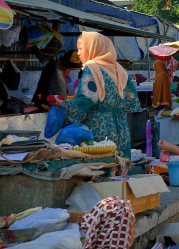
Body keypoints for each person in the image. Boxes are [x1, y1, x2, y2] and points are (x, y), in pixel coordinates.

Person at [53, 31, 140, 159]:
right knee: (120, 163)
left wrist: (63, 104)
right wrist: (115, 105)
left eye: (81, 48)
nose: (78, 53)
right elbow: (133, 101)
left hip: (100, 130)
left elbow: (89, 99)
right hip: (121, 128)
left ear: (92, 48)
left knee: (101, 165)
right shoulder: (119, 69)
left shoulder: (92, 68)